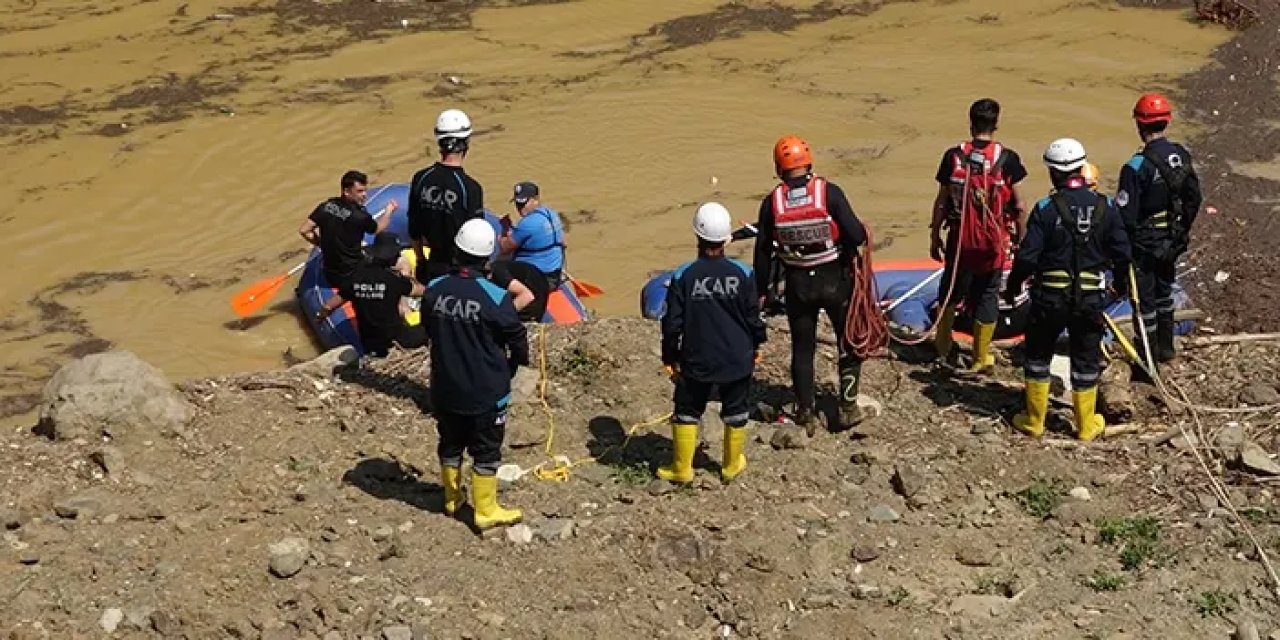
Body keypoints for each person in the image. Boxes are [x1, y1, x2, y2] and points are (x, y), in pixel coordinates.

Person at [1005, 138, 1131, 441]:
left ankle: (1035, 421)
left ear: (1052, 172)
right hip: (1089, 299)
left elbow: (1027, 257)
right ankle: (1086, 426)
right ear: (1082, 167)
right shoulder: (1106, 206)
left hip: (1049, 299)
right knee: (1086, 358)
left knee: (1038, 355)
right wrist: (1122, 285)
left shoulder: (1046, 209)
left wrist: (1012, 288)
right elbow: (1123, 253)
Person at [752, 135, 868, 435]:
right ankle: (848, 408)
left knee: (803, 350)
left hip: (798, 286)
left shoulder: (772, 203)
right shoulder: (829, 193)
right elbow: (855, 235)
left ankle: (806, 411)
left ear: (779, 168)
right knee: (848, 342)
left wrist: (761, 292)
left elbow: (763, 252)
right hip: (835, 282)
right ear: (809, 163)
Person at [423, 219, 529, 530]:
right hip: (486, 389)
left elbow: (428, 328)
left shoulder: (434, 289)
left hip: (445, 385)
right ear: (488, 257)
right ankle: (485, 510)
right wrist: (515, 366)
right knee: (486, 449)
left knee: (451, 443)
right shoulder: (495, 297)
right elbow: (516, 336)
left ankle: (452, 499)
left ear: (456, 251)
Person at [659, 203, 767, 484]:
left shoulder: (683, 275)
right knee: (736, 409)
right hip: (737, 357)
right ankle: (731, 465)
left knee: (687, 410)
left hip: (697, 359)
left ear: (697, 236)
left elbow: (672, 324)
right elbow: (753, 317)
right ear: (726, 239)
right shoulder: (743, 273)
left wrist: (670, 357)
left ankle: (682, 469)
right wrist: (757, 346)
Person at [928, 98, 1029, 373]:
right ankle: (981, 357)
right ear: (996, 124)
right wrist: (1021, 241)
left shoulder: (953, 156)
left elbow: (941, 201)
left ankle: (943, 348)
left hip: (959, 241)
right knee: (988, 294)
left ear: (970, 123)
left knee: (950, 289)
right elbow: (1019, 206)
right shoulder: (1008, 159)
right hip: (993, 242)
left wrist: (935, 234)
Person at [1117, 92, 1202, 367]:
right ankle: (1167, 350)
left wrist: (1121, 253)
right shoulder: (1182, 155)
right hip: (1170, 240)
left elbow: (1126, 217)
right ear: (1167, 121)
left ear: (1139, 125)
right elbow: (1194, 199)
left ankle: (1148, 360)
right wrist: (1180, 233)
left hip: (1144, 244)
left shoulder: (1135, 167)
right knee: (1165, 293)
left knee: (1144, 303)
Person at [315, 232, 426, 357]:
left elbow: (329, 306)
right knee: (428, 329)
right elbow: (423, 291)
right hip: (395, 340)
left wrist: (320, 316)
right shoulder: (394, 281)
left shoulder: (356, 278)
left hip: (369, 342)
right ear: (394, 257)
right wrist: (410, 277)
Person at [408, 108, 485, 285]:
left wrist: (420, 261)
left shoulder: (421, 178)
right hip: (458, 268)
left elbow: (414, 228)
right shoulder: (470, 189)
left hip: (432, 262)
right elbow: (475, 238)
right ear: (466, 144)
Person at [298, 170, 396, 290]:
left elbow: (304, 230)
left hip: (330, 273)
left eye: (365, 190)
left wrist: (321, 245)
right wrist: (388, 211)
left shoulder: (326, 206)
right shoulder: (359, 216)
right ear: (346, 192)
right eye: (360, 191)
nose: (365, 195)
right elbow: (378, 229)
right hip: (351, 273)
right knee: (391, 248)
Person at [496, 181, 566, 321]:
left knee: (496, 266)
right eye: (517, 203)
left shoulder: (528, 224)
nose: (520, 208)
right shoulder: (551, 214)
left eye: (523, 203)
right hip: (554, 273)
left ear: (535, 200)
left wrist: (504, 231)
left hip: (538, 279)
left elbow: (504, 248)